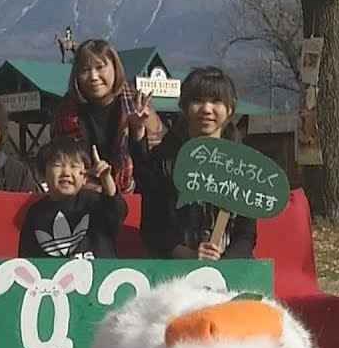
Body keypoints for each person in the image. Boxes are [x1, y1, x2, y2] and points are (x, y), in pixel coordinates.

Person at [134, 66, 256, 260]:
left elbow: (246, 234)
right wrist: (189, 255)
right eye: (198, 101)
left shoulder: (244, 166)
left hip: (231, 269)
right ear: (184, 107)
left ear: (230, 108)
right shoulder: (162, 161)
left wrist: (226, 263)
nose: (207, 109)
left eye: (216, 101)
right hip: (174, 269)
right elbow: (152, 229)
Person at [52, 39, 164, 194]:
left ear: (115, 68)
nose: (93, 77)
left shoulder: (136, 104)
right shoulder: (65, 113)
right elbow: (57, 161)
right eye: (85, 70)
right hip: (82, 198)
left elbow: (153, 166)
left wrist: (138, 132)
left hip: (135, 199)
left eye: (100, 67)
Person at [19, 136, 127, 259]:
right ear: (43, 174)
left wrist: (107, 179)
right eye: (58, 165)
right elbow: (27, 262)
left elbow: (117, 211)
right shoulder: (36, 213)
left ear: (85, 176)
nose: (66, 173)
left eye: (74, 166)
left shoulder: (94, 202)